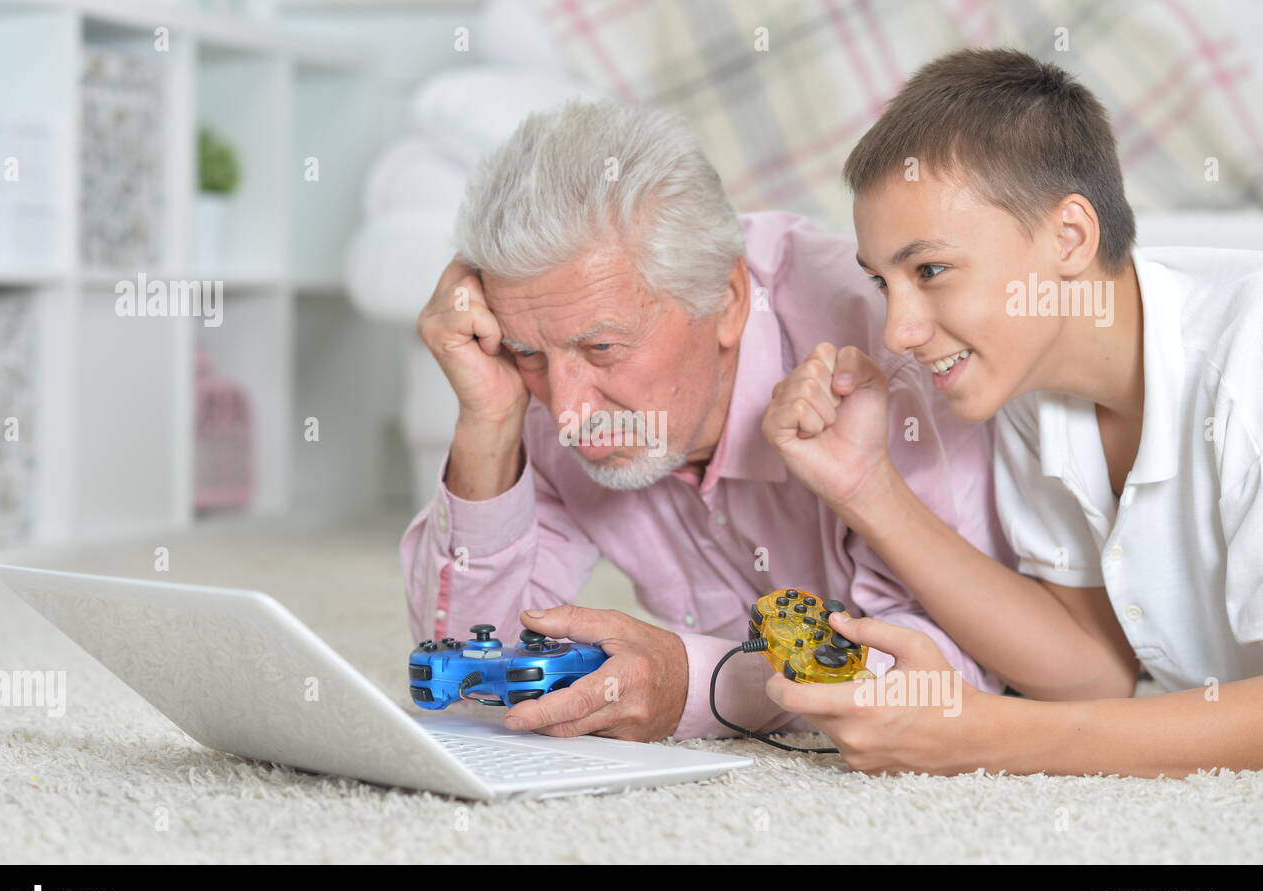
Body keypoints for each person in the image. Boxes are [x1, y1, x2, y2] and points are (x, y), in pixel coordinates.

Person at [400, 99, 1013, 741]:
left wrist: (700, 683)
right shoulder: (549, 356)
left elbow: (952, 671)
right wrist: (490, 423)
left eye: (603, 348)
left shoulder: (896, 347)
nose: (568, 409)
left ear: (726, 298)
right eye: (527, 353)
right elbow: (473, 677)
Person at [765, 48, 1263, 777]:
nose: (898, 331)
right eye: (883, 283)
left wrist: (989, 736)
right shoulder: (1033, 381)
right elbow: (1093, 672)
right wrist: (864, 487)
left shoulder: (1246, 366)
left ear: (1069, 237)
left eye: (929, 270)